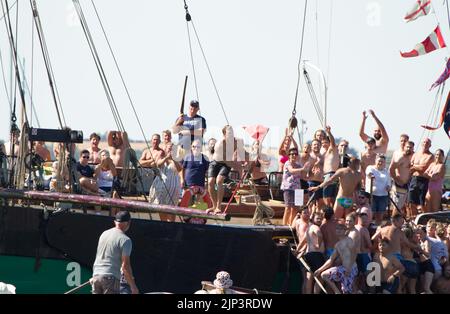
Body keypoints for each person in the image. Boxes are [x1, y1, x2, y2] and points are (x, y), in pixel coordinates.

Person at [91, 211, 139, 294]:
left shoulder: (104, 234)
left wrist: (96, 276)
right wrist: (133, 287)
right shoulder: (125, 240)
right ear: (128, 223)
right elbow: (125, 267)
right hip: (110, 278)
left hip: (96, 276)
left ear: (115, 222)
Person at [207, 125, 245, 214]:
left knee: (219, 181)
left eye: (232, 132)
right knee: (210, 182)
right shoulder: (220, 144)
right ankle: (214, 205)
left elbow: (242, 153)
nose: (231, 134)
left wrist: (244, 163)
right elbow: (227, 161)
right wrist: (239, 168)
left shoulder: (236, 142)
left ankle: (219, 206)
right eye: (229, 132)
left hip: (225, 164)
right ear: (224, 134)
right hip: (216, 162)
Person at [314, 223, 358, 294]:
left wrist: (349, 267)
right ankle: (336, 291)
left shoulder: (349, 240)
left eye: (341, 229)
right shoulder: (337, 245)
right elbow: (331, 260)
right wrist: (319, 270)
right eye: (337, 229)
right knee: (324, 275)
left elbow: (354, 254)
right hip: (343, 269)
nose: (339, 230)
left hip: (351, 268)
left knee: (349, 291)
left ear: (345, 231)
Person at [179, 139, 211, 224]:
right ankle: (187, 223)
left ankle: (199, 224)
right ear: (191, 147)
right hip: (188, 186)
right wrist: (182, 180)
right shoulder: (187, 157)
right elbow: (182, 169)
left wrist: (207, 187)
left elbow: (208, 173)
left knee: (198, 208)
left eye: (198, 147)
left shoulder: (205, 159)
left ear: (201, 148)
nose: (196, 148)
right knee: (187, 207)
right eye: (194, 146)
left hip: (200, 188)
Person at [148, 142, 182, 222]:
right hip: (162, 186)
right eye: (169, 148)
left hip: (173, 187)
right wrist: (166, 158)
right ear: (165, 149)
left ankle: (171, 224)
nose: (170, 149)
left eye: (172, 148)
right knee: (162, 207)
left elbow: (180, 169)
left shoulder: (177, 158)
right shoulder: (161, 156)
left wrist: (173, 159)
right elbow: (158, 164)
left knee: (172, 208)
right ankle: (163, 223)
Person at [297, 212, 325, 294]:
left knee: (308, 279)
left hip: (308, 255)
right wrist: (318, 244)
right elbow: (319, 234)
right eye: (317, 218)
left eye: (320, 218)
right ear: (313, 219)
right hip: (316, 255)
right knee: (320, 277)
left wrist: (297, 251)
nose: (319, 220)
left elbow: (303, 241)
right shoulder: (316, 227)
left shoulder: (309, 228)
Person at [280, 147, 310, 225]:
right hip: (288, 188)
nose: (294, 155)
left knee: (296, 208)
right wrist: (302, 169)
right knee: (288, 208)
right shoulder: (287, 163)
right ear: (289, 155)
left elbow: (303, 176)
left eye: (295, 154)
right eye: (292, 154)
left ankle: (291, 224)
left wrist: (311, 173)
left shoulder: (299, 165)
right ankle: (284, 226)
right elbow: (292, 171)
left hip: (298, 189)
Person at [408, 138, 434, 218]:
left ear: (430, 145)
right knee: (411, 202)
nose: (425, 144)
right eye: (424, 142)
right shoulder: (416, 154)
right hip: (413, 179)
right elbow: (410, 166)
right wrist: (417, 167)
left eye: (427, 143)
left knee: (422, 203)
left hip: (423, 181)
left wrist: (415, 167)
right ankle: (414, 219)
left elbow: (424, 168)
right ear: (421, 143)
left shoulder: (430, 156)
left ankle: (425, 220)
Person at [389, 139, 413, 215]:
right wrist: (396, 179)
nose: (409, 149)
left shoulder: (412, 157)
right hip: (399, 185)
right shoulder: (401, 158)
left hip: (408, 184)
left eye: (411, 147)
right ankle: (393, 222)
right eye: (408, 147)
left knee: (404, 206)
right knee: (397, 206)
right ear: (404, 147)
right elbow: (391, 169)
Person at [366, 154, 391, 226]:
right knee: (371, 214)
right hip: (372, 195)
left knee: (380, 215)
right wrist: (372, 175)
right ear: (375, 161)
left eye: (382, 162)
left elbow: (389, 182)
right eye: (379, 161)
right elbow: (369, 173)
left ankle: (377, 227)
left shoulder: (386, 171)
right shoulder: (370, 168)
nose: (380, 163)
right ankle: (368, 227)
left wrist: (388, 186)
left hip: (383, 196)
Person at [322, 126, 340, 208]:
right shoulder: (326, 153)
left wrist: (329, 133)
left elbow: (332, 142)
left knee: (327, 198)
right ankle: (331, 213)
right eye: (322, 143)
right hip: (329, 175)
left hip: (330, 175)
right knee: (330, 198)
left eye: (325, 142)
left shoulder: (332, 148)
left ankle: (329, 213)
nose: (323, 144)